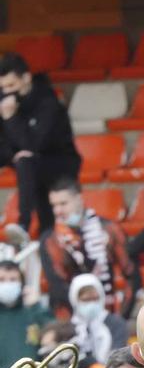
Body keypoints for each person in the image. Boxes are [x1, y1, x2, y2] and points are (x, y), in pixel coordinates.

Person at [0, 52, 81, 235]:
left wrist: (10, 118)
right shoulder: (5, 99)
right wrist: (13, 154)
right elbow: (7, 143)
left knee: (26, 161)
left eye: (12, 85)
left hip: (57, 163)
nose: (7, 92)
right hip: (26, 165)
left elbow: (34, 144)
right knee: (23, 161)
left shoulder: (48, 103)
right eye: (3, 87)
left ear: (26, 78)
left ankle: (23, 225)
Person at [40, 179, 134, 315]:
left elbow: (130, 272)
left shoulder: (109, 229)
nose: (58, 211)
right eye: (54, 205)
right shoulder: (49, 239)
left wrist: (123, 315)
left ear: (79, 198)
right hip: (68, 319)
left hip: (107, 312)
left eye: (63, 203)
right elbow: (56, 284)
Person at [65, 275, 128, 368]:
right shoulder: (68, 327)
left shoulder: (116, 323)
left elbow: (118, 357)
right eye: (86, 300)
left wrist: (95, 365)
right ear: (75, 300)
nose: (91, 304)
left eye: (95, 299)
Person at [0, 259, 52, 362]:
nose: (7, 284)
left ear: (22, 284)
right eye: (1, 280)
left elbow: (54, 332)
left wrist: (36, 307)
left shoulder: (33, 311)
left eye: (13, 279)